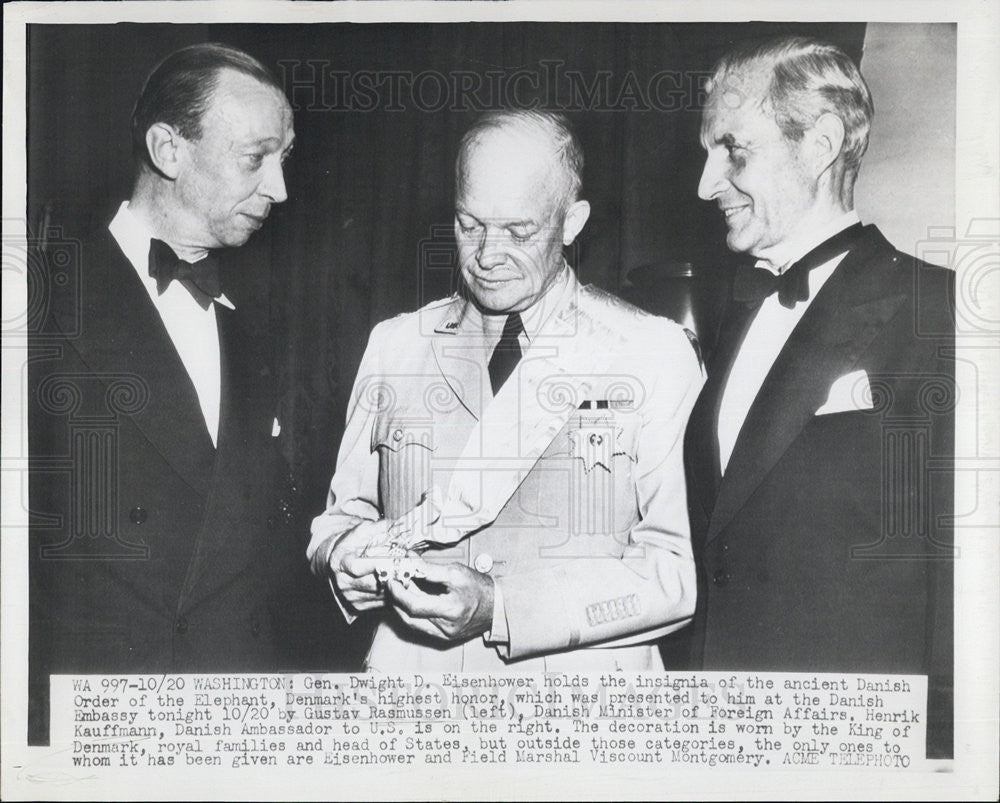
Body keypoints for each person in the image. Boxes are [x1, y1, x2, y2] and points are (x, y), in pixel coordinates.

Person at [308, 110, 704, 672]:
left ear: (572, 223)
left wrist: (502, 607)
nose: (488, 255)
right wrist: (342, 555)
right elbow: (339, 517)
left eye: (519, 232)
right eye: (470, 225)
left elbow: (675, 572)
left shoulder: (652, 352)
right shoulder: (396, 345)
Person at [673, 36, 954, 756]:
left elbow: (966, 594)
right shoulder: (738, 319)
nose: (705, 185)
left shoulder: (941, 315)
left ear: (820, 143)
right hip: (723, 737)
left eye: (732, 150)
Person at [28, 43, 295, 743]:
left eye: (286, 158)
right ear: (169, 149)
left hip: (232, 725)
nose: (280, 188)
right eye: (256, 158)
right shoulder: (38, 305)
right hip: (87, 727)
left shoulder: (258, 336)